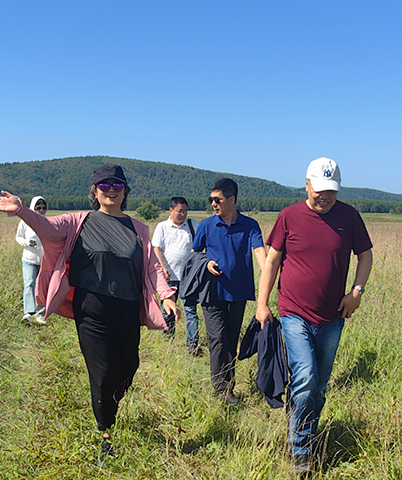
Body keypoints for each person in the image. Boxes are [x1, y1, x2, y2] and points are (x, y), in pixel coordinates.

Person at [0, 164, 179, 465]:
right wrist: (22, 210)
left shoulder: (138, 228)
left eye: (117, 184)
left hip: (127, 308)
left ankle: (111, 404)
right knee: (102, 373)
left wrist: (166, 296)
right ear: (94, 191)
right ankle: (106, 434)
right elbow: (48, 228)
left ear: (125, 190)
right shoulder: (79, 221)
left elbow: (152, 267)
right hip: (91, 309)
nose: (111, 189)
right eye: (104, 185)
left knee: (128, 366)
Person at [256, 157, 373, 474]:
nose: (325, 197)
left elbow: (365, 256)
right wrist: (262, 303)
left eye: (331, 191)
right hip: (294, 312)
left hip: (333, 317)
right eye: (320, 190)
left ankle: (303, 425)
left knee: (318, 387)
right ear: (306, 184)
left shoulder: (348, 217)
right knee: (306, 378)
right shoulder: (289, 216)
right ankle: (301, 451)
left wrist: (356, 292)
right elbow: (272, 262)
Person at [191, 178, 267, 405]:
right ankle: (221, 390)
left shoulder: (250, 225)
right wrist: (205, 263)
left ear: (232, 199)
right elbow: (195, 253)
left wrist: (269, 276)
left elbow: (260, 253)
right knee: (217, 339)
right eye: (211, 200)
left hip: (238, 293)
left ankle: (228, 385)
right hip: (212, 294)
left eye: (218, 200)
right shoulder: (206, 225)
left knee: (231, 340)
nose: (213, 204)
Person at [152, 196, 201, 355]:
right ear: (171, 210)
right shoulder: (162, 227)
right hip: (169, 277)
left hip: (189, 278)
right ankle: (168, 344)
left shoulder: (193, 225)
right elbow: (156, 248)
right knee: (167, 311)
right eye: (180, 211)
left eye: (185, 211)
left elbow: (200, 246)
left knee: (190, 311)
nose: (183, 214)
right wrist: (162, 268)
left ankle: (193, 347)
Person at [15, 196, 47, 325]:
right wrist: (27, 243)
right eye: (38, 207)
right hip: (29, 259)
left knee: (42, 288)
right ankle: (28, 313)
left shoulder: (47, 222)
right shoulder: (25, 222)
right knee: (29, 284)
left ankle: (41, 314)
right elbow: (18, 237)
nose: (41, 210)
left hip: (44, 261)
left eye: (44, 208)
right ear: (32, 208)